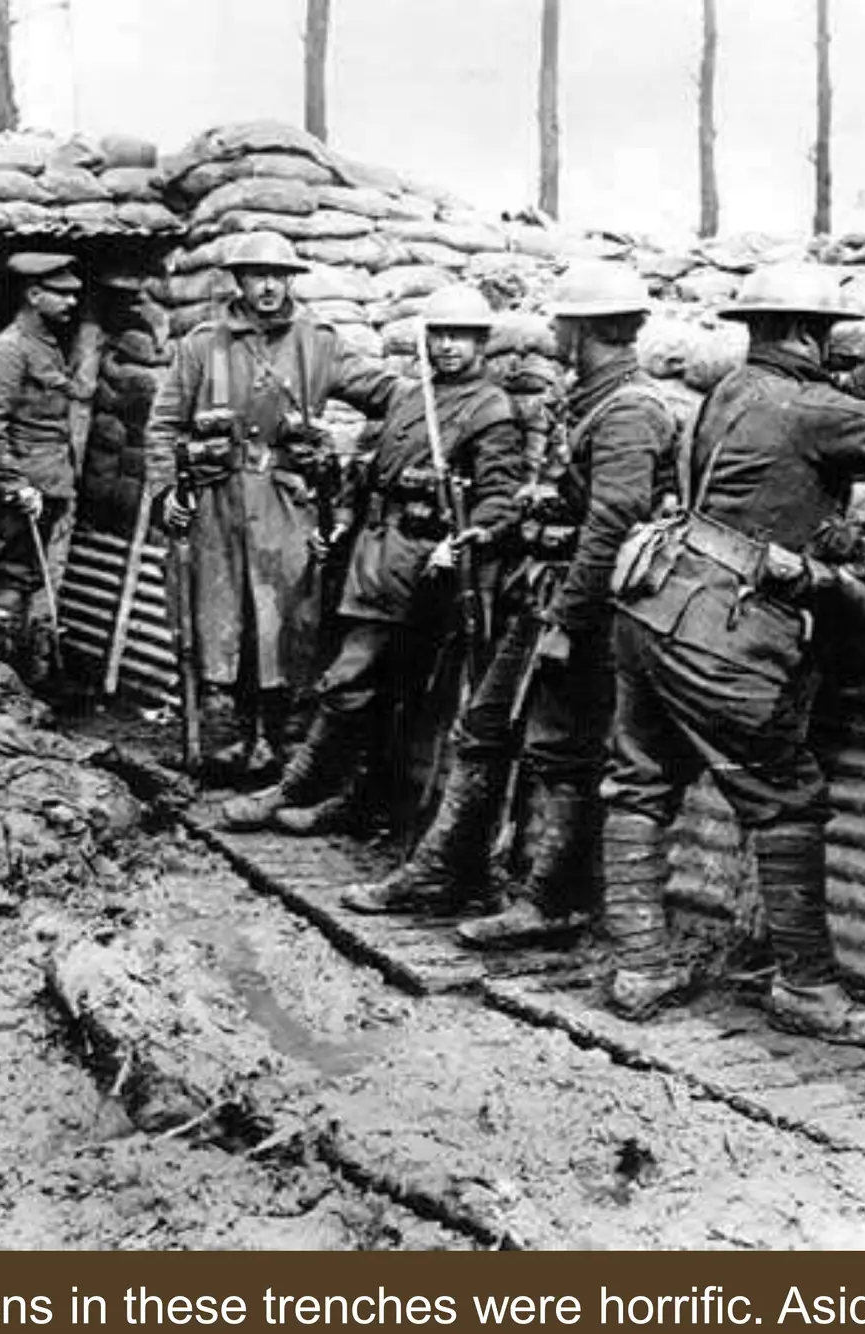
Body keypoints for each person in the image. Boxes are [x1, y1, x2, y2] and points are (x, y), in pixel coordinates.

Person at [601, 263, 865, 1041]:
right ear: (809, 333)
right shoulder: (809, 407)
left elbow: (813, 426)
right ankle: (806, 988)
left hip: (653, 603)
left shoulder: (734, 388)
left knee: (640, 783)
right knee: (785, 798)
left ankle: (640, 963)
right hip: (721, 625)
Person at [341, 262, 678, 930]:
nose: (551, 333)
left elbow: (612, 525)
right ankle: (441, 872)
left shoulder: (630, 411)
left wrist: (567, 621)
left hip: (588, 612)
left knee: (562, 751)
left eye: (562, 323)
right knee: (484, 728)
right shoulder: (594, 402)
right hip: (548, 595)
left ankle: (551, 902)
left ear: (585, 332)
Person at [219, 284, 525, 835]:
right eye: (439, 336)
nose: (449, 347)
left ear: (483, 343)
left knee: (351, 678)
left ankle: (299, 786)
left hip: (419, 566)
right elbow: (369, 461)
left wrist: (472, 535)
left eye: (461, 336)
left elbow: (499, 492)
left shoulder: (490, 409)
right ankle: (359, 800)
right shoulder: (415, 397)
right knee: (377, 690)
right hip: (370, 555)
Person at [143, 231, 394, 781]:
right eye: (258, 276)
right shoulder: (201, 346)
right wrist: (167, 494)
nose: (270, 287)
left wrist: (434, 397)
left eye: (279, 276)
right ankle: (234, 737)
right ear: (239, 281)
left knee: (285, 624)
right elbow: (162, 426)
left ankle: (277, 742)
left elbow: (378, 391)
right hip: (219, 504)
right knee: (224, 620)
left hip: (287, 504)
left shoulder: (317, 343)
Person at [0, 252, 88, 680]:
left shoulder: (45, 345)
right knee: (10, 581)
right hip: (23, 492)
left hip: (48, 483)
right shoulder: (10, 350)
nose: (72, 302)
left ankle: (22, 675)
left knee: (27, 578)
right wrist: (15, 483)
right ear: (35, 295)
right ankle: (3, 680)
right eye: (62, 294)